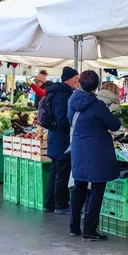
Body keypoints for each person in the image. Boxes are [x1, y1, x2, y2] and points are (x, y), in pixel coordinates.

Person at [67, 71, 121, 241]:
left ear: (80, 84)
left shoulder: (71, 101)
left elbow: (70, 119)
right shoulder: (97, 105)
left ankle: (74, 226)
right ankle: (90, 229)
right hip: (97, 150)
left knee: (79, 187)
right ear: (97, 86)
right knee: (97, 188)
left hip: (78, 147)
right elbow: (115, 124)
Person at [43, 66, 79, 214]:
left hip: (55, 137)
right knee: (62, 172)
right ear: (68, 80)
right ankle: (60, 205)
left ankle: (49, 204)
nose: (78, 82)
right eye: (76, 79)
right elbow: (62, 119)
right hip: (61, 139)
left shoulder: (59, 92)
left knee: (56, 171)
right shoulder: (62, 95)